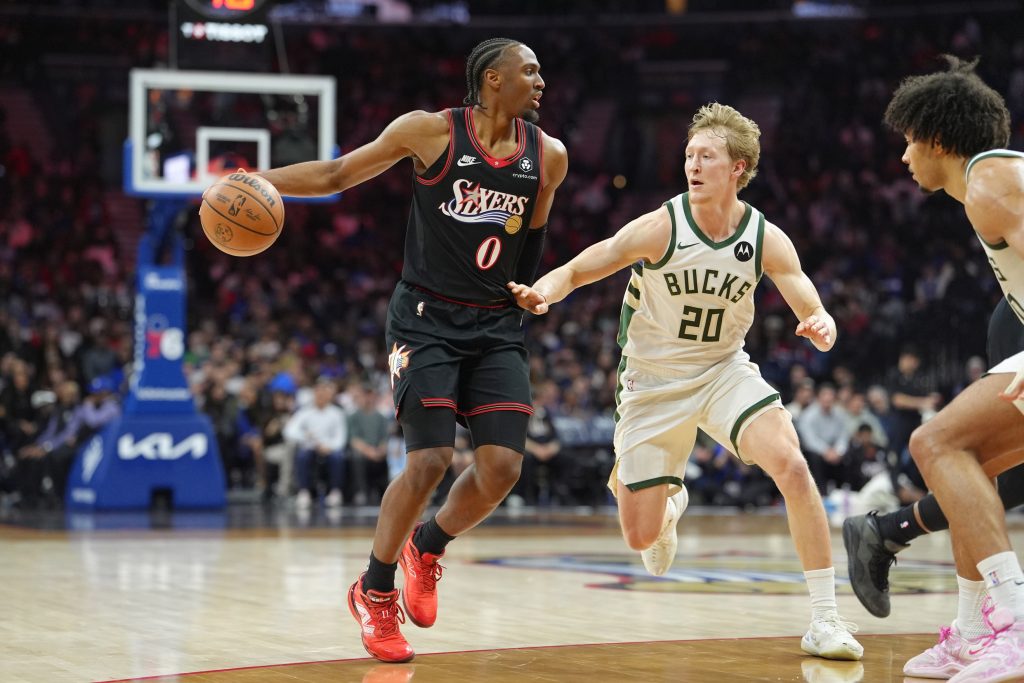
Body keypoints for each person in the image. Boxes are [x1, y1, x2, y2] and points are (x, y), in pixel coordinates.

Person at [251, 37, 567, 662]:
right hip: (424, 319)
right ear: (491, 79)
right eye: (528, 70)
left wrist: (528, 290)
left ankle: (430, 544)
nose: (540, 80)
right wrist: (259, 181)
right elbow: (339, 174)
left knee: (502, 468)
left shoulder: (548, 156)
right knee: (428, 460)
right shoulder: (430, 133)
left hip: (495, 323)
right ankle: (373, 590)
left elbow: (533, 237)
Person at [508, 103, 861, 660]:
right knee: (640, 537)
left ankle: (825, 618)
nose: (693, 165)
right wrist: (544, 293)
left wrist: (823, 324)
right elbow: (580, 268)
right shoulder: (660, 227)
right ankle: (670, 505)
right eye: (689, 155)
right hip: (652, 383)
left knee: (792, 466)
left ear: (738, 167)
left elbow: (810, 302)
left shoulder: (765, 237)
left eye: (706, 156)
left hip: (723, 369)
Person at [868, 55, 1024, 681]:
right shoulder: (988, 186)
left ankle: (1014, 623)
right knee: (972, 466)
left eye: (909, 140)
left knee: (934, 440)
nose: (904, 157)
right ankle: (968, 633)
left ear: (936, 138)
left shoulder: (992, 185)